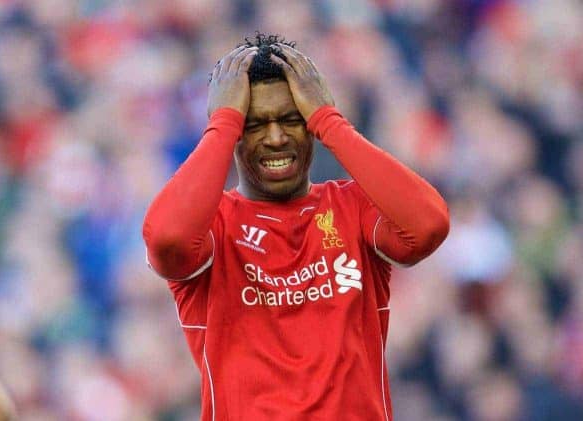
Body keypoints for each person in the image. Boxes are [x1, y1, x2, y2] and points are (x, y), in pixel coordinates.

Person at [143, 33, 450, 420]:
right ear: (235, 132)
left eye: (291, 119)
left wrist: (330, 121)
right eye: (254, 125)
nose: (275, 138)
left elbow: (428, 227)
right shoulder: (212, 229)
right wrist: (222, 122)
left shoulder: (353, 207)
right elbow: (166, 241)